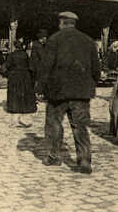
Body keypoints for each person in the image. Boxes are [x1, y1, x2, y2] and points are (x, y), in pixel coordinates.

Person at [38, 11, 100, 174]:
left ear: (62, 23)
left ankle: (54, 157)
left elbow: (45, 68)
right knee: (80, 126)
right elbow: (96, 70)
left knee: (54, 123)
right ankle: (84, 161)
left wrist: (41, 88)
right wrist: (89, 84)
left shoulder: (54, 40)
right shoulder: (88, 41)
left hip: (58, 92)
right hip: (81, 93)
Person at [2, 39, 36, 126]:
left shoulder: (12, 55)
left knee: (15, 93)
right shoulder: (25, 55)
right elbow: (31, 67)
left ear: (15, 46)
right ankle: (24, 110)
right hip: (25, 77)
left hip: (14, 77)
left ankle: (15, 110)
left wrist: (7, 75)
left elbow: (4, 67)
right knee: (24, 92)